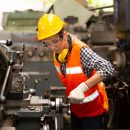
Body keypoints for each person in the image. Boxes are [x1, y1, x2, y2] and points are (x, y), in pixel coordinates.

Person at [37, 14, 115, 130]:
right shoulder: (58, 53)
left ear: (63, 35)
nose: (52, 47)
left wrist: (83, 87)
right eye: (47, 43)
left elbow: (108, 68)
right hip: (76, 110)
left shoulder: (80, 50)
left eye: (55, 41)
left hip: (93, 112)